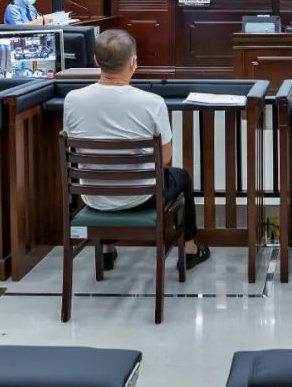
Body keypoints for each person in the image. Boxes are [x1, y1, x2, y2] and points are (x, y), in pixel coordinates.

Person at [62, 30, 210, 272]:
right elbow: (165, 158)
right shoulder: (152, 102)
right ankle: (190, 249)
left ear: (96, 61)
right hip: (142, 196)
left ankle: (106, 250)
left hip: (93, 195)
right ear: (133, 62)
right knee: (181, 176)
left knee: (105, 170)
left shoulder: (72, 99)